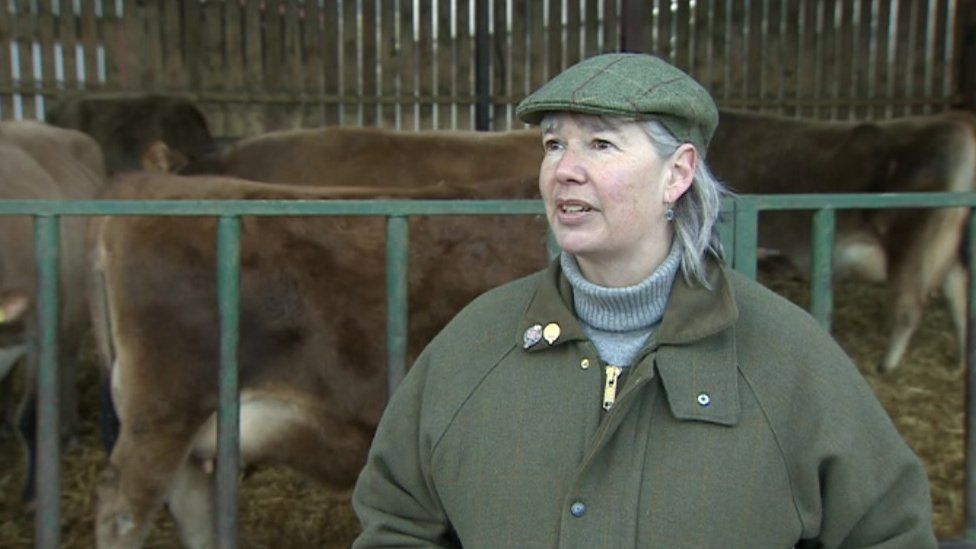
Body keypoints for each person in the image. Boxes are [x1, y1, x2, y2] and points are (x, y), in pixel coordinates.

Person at [351, 52, 937, 548]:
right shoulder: (475, 344)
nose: (564, 170)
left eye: (601, 144)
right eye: (554, 144)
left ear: (677, 174)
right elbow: (395, 520)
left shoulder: (787, 358)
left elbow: (889, 530)